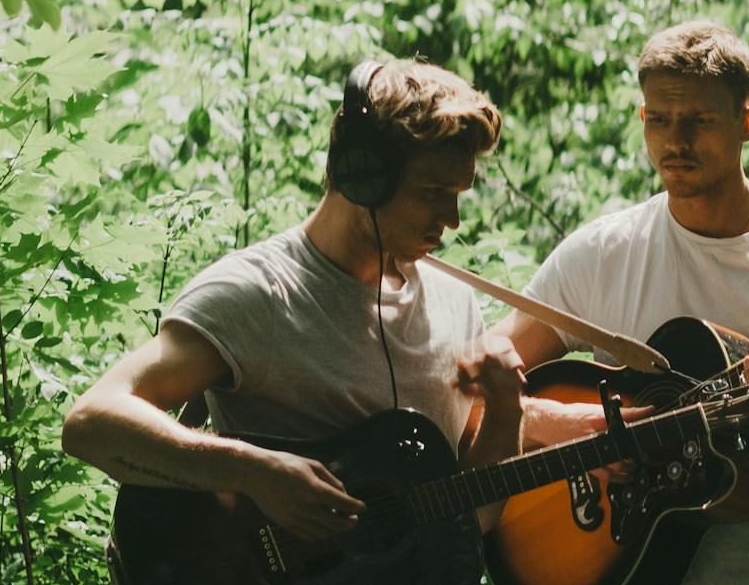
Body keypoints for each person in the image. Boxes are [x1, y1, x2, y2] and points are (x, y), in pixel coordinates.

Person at [497, 21, 749, 585]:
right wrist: (564, 423)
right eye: (659, 120)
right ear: (642, 119)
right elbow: (477, 378)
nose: (676, 141)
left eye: (699, 121)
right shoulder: (601, 254)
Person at [62, 59, 525, 548]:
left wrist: (506, 409)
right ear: (363, 175)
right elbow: (92, 423)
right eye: (432, 192)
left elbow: (467, 520)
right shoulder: (256, 294)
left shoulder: (456, 304)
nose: (451, 219)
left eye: (458, 194)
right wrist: (252, 472)